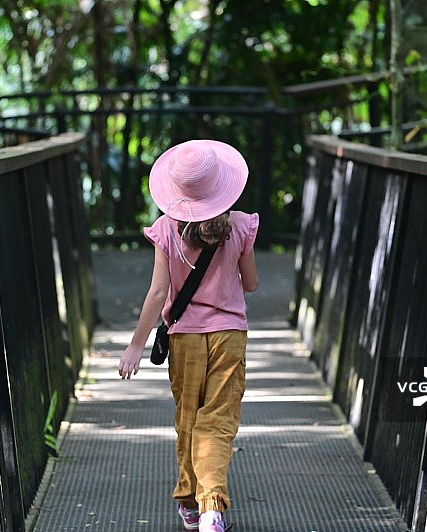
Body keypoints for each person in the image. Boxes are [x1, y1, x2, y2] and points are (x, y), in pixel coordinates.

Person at [118, 139, 259, 532]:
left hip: (185, 338)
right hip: (229, 335)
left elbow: (158, 293)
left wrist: (135, 345)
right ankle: (212, 508)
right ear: (223, 185)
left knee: (189, 418)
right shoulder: (241, 225)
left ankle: (191, 504)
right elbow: (251, 284)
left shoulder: (166, 229)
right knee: (218, 419)